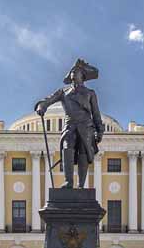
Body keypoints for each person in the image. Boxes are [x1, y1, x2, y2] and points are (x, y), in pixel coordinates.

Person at [35, 58, 104, 188]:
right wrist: (41, 106)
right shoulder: (64, 92)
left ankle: (81, 185)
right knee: (67, 149)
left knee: (83, 153)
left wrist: (99, 130)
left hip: (86, 126)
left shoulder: (90, 93)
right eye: (72, 71)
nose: (73, 73)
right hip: (70, 126)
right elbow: (48, 99)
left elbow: (96, 113)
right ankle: (68, 182)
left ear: (82, 76)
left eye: (76, 71)